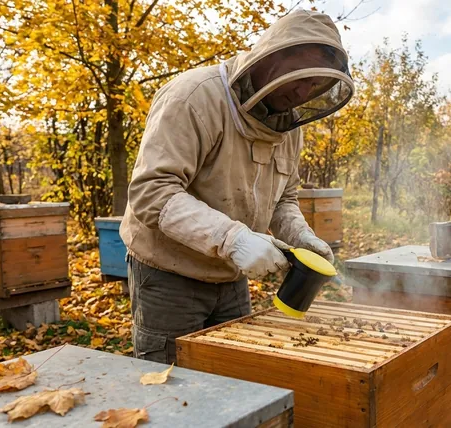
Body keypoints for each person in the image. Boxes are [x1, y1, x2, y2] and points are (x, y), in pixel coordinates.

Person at [119, 9, 355, 364]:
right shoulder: (194, 97)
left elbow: (283, 199)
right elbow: (152, 191)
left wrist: (301, 237)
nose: (304, 92)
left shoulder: (288, 129)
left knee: (237, 381)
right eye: (301, 76)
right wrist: (234, 239)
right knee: (170, 384)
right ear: (273, 55)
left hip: (232, 278)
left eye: (315, 84)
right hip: (168, 275)